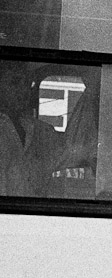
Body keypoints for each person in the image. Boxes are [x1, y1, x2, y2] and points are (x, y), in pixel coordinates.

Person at [0, 61, 64, 196]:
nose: (24, 91)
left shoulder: (40, 130)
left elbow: (73, 151)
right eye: (15, 82)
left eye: (29, 84)